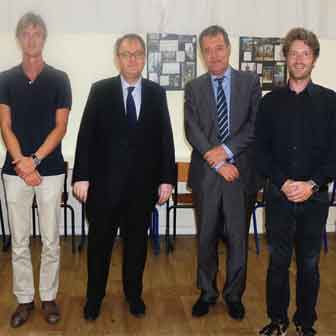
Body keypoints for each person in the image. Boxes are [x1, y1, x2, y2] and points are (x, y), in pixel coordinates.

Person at [72, 34, 175, 320]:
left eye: (138, 54)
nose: (132, 59)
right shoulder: (100, 90)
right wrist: (81, 176)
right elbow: (86, 136)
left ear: (144, 58)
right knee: (99, 248)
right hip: (104, 189)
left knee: (136, 248)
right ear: (117, 58)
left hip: (141, 190)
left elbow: (165, 138)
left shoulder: (156, 93)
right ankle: (94, 299)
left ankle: (134, 295)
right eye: (126, 54)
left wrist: (167, 178)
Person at [257, 28, 336, 336]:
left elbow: (334, 152)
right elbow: (261, 151)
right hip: (279, 196)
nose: (299, 59)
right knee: (278, 263)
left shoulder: (331, 102)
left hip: (314, 198)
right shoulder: (269, 102)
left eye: (305, 53)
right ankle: (277, 321)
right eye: (294, 53)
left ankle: (306, 322)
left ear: (314, 58)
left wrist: (312, 185)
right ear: (286, 58)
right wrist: (284, 182)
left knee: (309, 265)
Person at [184, 25, 261, 320]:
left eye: (219, 48)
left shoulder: (250, 82)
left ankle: (233, 295)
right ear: (202, 54)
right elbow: (193, 129)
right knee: (205, 238)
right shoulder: (194, 87)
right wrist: (217, 161)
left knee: (238, 239)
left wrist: (226, 151)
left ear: (229, 48)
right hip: (207, 174)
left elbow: (254, 125)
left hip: (241, 174)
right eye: (207, 50)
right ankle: (207, 292)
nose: (213, 55)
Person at [0, 12, 71, 328]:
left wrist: (36, 161)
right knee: (19, 239)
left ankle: (49, 297)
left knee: (51, 239)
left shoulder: (59, 79)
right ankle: (25, 299)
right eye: (25, 34)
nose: (31, 39)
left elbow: (60, 127)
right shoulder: (5, 79)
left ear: (44, 38)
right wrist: (22, 163)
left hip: (50, 169)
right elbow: (5, 125)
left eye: (37, 33)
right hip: (15, 170)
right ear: (19, 39)